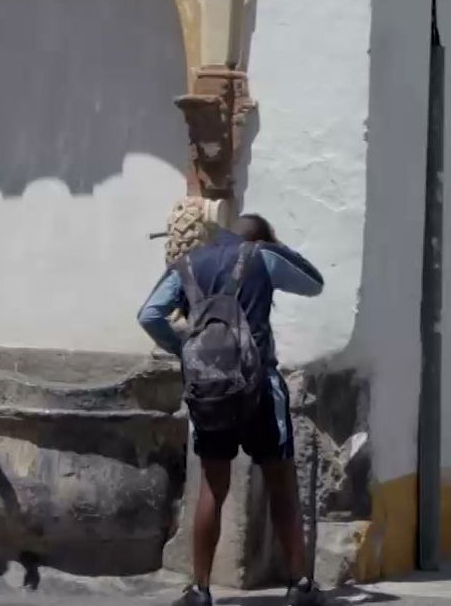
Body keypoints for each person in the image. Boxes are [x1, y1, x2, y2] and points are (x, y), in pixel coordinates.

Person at [138, 214, 326, 606]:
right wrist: (274, 248)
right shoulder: (263, 257)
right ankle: (299, 587)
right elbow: (314, 283)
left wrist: (184, 351)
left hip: (209, 392)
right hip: (261, 388)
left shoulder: (187, 264)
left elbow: (149, 314)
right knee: (281, 487)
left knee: (212, 488)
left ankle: (200, 589)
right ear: (261, 240)